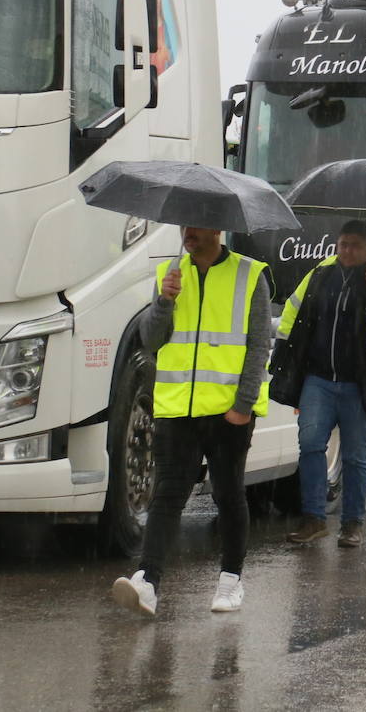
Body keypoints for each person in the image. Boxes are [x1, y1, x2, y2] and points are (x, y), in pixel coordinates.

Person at [111, 226, 273, 617]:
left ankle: (231, 581)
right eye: (184, 227)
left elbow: (258, 344)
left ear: (216, 228)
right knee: (167, 495)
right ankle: (148, 582)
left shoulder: (250, 275)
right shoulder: (170, 273)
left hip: (227, 410)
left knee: (228, 493)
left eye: (196, 227)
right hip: (177, 408)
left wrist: (244, 403)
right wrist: (165, 301)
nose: (188, 234)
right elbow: (151, 340)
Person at [270, 220, 366, 548]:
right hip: (318, 380)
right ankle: (313, 518)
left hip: (358, 383)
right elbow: (293, 315)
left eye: (355, 245)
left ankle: (353, 523)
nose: (347, 251)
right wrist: (284, 360)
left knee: (355, 456)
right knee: (309, 444)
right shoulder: (320, 274)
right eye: (343, 244)